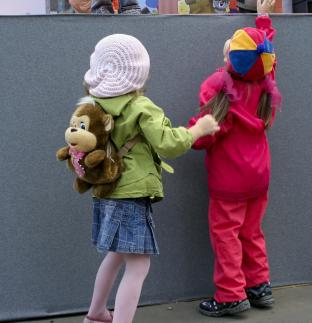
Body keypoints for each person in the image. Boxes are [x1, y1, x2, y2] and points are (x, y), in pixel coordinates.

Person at [82, 34, 220, 323]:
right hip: (131, 194)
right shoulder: (141, 107)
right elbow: (169, 143)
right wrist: (200, 129)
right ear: (138, 72)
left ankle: (96, 312)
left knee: (116, 255)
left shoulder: (94, 105)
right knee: (139, 265)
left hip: (107, 188)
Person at [188, 0, 281, 318]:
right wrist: (263, 22)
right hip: (259, 177)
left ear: (230, 59)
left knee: (226, 235)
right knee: (252, 232)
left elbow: (203, 136)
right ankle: (259, 286)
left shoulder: (217, 84)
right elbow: (266, 55)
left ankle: (230, 295)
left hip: (229, 181)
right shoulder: (266, 82)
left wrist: (188, 134)